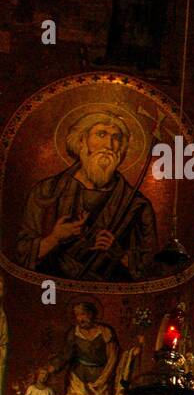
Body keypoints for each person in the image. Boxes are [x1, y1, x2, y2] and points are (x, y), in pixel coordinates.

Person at [15, 110, 157, 282]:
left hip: (110, 294)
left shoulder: (136, 205)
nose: (109, 145)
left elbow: (150, 269)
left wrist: (118, 254)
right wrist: (54, 238)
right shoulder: (46, 192)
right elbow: (21, 254)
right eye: (101, 134)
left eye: (116, 138)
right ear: (81, 141)